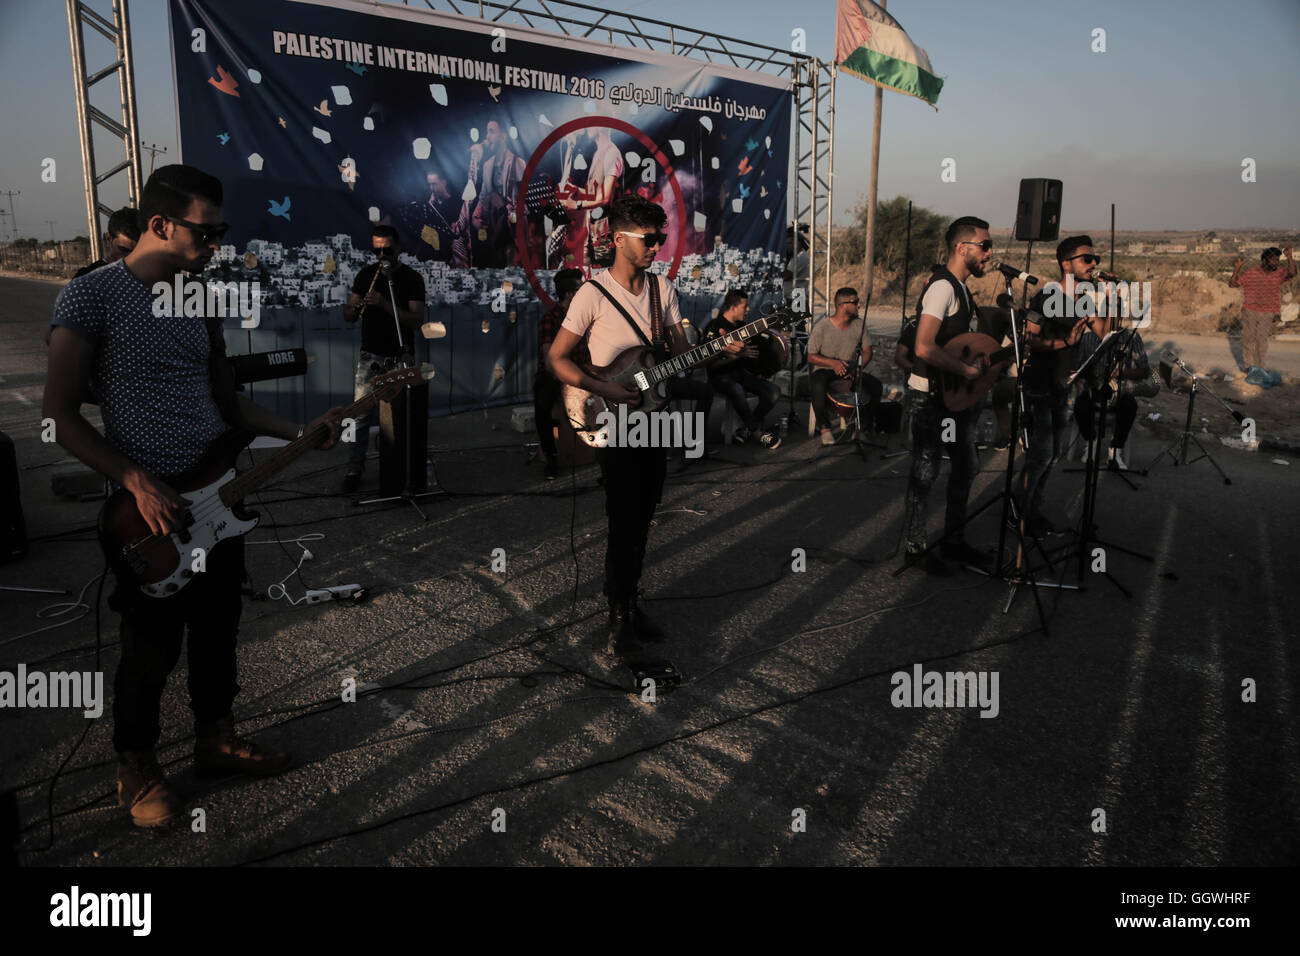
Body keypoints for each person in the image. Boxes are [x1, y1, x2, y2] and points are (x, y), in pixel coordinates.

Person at [43, 164, 343, 828]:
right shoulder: (90, 298)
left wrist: (301, 431)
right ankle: (137, 764)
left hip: (219, 492)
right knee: (148, 644)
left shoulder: (199, 300)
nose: (216, 246)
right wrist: (133, 479)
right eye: (208, 233)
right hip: (146, 509)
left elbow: (228, 403)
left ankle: (216, 739)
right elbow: (60, 415)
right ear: (159, 225)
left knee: (218, 630)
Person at [547, 195, 742, 655]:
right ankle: (619, 616)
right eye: (649, 239)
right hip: (614, 423)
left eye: (661, 239)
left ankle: (628, 602)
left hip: (654, 420)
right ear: (617, 239)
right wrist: (609, 389)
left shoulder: (663, 292)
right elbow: (557, 359)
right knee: (624, 517)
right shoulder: (591, 294)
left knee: (645, 515)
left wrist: (718, 348)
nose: (657, 247)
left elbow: (678, 357)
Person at [900, 216, 993, 576]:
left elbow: (956, 346)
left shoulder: (962, 289)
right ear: (962, 248)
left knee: (966, 466)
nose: (988, 254)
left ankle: (954, 541)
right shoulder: (943, 288)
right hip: (930, 396)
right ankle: (914, 548)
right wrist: (966, 371)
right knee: (925, 471)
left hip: (955, 398)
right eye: (984, 246)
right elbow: (923, 347)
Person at [341, 225, 426, 492]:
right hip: (370, 355)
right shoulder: (366, 275)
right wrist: (355, 307)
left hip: (400, 355)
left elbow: (415, 320)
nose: (381, 256)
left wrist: (384, 304)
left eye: (386, 250)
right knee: (359, 416)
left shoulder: (412, 278)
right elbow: (348, 315)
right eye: (376, 250)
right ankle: (354, 468)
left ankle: (402, 469)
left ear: (398, 248)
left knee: (402, 417)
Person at [1020, 236, 1093, 536]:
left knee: (1052, 456)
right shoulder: (1045, 298)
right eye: (1086, 259)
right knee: (1040, 454)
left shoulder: (1087, 298)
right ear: (1066, 264)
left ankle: (1032, 511)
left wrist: (1113, 295)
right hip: (1040, 383)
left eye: (1094, 259)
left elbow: (1103, 331)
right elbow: (1028, 339)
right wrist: (1065, 341)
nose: (1093, 264)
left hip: (1064, 385)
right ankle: (1021, 512)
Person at [707, 288, 782, 449]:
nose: (748, 309)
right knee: (736, 389)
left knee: (773, 391)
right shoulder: (715, 327)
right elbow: (710, 364)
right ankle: (756, 432)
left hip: (741, 375)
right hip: (720, 377)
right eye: (745, 306)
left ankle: (746, 428)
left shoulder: (742, 326)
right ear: (733, 307)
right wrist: (736, 356)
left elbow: (749, 354)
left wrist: (759, 372)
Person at [807, 287, 882, 446]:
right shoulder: (823, 327)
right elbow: (811, 356)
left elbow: (868, 351)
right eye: (855, 302)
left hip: (850, 369)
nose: (859, 305)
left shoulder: (859, 325)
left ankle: (863, 428)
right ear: (842, 305)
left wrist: (857, 368)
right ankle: (825, 428)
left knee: (876, 385)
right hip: (826, 370)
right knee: (817, 382)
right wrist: (832, 363)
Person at [535, 268, 585, 479]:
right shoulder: (551, 318)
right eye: (580, 290)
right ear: (570, 295)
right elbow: (549, 361)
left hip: (582, 371)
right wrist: (568, 382)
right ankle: (551, 456)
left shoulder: (585, 317)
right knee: (542, 404)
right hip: (556, 375)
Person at [1229, 246, 1295, 376]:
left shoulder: (1280, 272)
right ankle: (1248, 367)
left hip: (1268, 311)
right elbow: (1233, 284)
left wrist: (1290, 257)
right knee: (1248, 339)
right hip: (1250, 310)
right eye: (1273, 260)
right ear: (1264, 261)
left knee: (1262, 340)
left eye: (1277, 260)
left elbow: (1292, 273)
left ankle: (1259, 368)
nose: (1276, 262)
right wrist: (1237, 268)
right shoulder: (1251, 273)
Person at [471, 118, 526, 267]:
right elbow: (483, 197)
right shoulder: (487, 165)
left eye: (492, 131)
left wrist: (513, 215)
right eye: (487, 132)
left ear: (503, 136)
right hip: (494, 235)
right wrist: (475, 217)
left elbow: (525, 204)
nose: (487, 137)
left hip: (511, 235)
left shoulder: (518, 163)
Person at [74, 206, 140, 278]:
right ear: (109, 238)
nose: (130, 257)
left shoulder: (149, 277)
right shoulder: (86, 277)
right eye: (124, 250)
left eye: (137, 252)